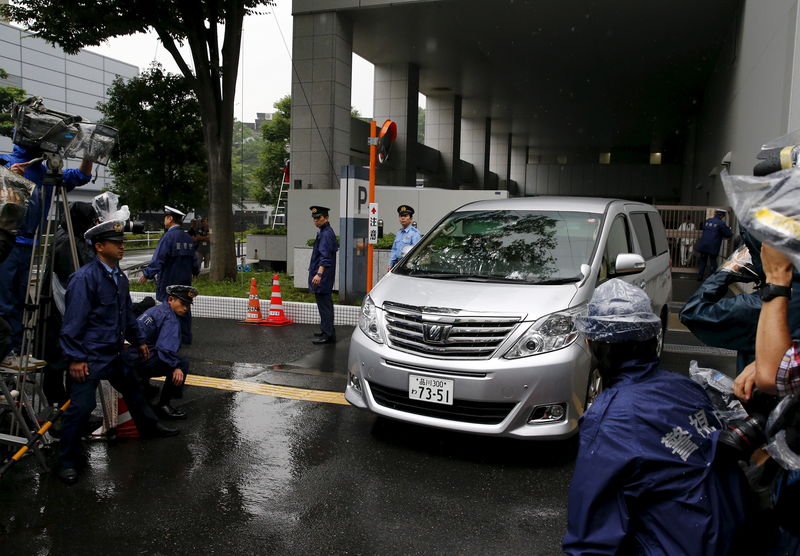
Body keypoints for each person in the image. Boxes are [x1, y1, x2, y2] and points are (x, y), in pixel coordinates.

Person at [563, 279, 745, 555]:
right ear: (651, 337)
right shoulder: (686, 387)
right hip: (730, 536)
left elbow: (592, 535)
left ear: (592, 344)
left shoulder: (609, 419)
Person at [58, 219, 178, 484]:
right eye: (116, 243)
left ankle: (149, 426)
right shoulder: (84, 279)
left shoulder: (118, 277)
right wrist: (76, 358)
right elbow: (72, 323)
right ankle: (66, 460)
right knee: (82, 407)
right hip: (88, 355)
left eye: (122, 242)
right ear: (99, 247)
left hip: (113, 352)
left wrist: (139, 341)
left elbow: (126, 316)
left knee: (134, 387)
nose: (121, 247)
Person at [0, 144, 93, 354]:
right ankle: (4, 352)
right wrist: (7, 177)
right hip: (6, 241)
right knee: (4, 302)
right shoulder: (5, 161)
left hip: (31, 246)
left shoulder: (47, 172)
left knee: (24, 302)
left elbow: (81, 175)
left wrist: (90, 152)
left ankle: (15, 351)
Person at [680, 228, 800, 374]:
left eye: (750, 250)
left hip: (761, 393)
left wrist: (726, 271)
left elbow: (692, 312)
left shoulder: (761, 306)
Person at [131, 285, 196, 420]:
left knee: (154, 353)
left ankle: (146, 389)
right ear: (171, 299)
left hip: (129, 355)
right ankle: (164, 405)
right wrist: (175, 367)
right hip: (137, 358)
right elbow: (166, 349)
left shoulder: (157, 310)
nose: (185, 308)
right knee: (182, 364)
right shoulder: (169, 317)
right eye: (183, 303)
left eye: (188, 305)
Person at [139, 206, 200, 344]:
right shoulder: (188, 238)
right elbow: (195, 260)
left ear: (170, 218)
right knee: (184, 306)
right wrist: (195, 272)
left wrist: (147, 274)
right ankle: (185, 337)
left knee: (169, 309)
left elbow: (158, 259)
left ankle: (171, 339)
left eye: (165, 217)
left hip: (169, 281)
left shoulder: (167, 237)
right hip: (185, 281)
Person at [308, 205, 338, 344]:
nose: (316, 220)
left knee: (325, 304)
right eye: (314, 218)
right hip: (324, 275)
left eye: (318, 217)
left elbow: (325, 257)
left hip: (323, 275)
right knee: (324, 304)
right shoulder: (324, 231)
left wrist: (318, 274)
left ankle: (328, 334)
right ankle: (326, 329)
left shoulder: (326, 233)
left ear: (326, 217)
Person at [694, 208, 733, 281]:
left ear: (715, 214)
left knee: (703, 261)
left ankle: (700, 276)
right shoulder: (721, 223)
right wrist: (730, 232)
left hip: (703, 245)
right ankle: (714, 278)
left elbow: (704, 229)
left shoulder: (708, 221)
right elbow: (728, 234)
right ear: (722, 216)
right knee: (713, 261)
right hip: (713, 246)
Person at [387, 204, 421, 271]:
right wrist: (390, 264)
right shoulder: (399, 233)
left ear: (411, 219)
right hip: (397, 265)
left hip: (407, 266)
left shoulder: (414, 233)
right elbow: (394, 250)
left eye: (405, 216)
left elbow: (416, 252)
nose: (403, 218)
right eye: (401, 216)